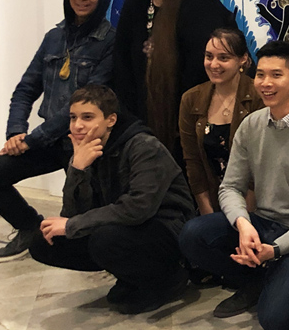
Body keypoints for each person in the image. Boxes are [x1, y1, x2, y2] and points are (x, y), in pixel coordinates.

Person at [176, 40, 289, 330]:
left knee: (275, 322)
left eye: (276, 75)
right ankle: (254, 278)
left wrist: (276, 250)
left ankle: (275, 271)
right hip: (261, 223)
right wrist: (243, 223)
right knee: (192, 235)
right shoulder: (251, 125)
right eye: (260, 75)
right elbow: (230, 186)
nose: (265, 83)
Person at [0, 0, 115, 262]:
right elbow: (25, 89)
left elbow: (84, 105)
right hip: (46, 142)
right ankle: (28, 227)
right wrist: (15, 134)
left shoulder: (109, 41)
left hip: (83, 144)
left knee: (84, 222)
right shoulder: (54, 37)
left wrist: (32, 139)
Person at [29, 85, 195, 314]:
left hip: (166, 230)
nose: (77, 125)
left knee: (104, 238)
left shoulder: (143, 146)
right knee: (43, 240)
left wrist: (72, 225)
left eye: (87, 117)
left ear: (111, 119)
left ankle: (169, 279)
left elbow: (138, 208)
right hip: (125, 228)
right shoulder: (85, 149)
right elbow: (72, 213)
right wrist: (77, 168)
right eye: (73, 117)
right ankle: (132, 277)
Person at [113, 0, 232, 156]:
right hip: (141, 119)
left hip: (188, 122)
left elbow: (203, 71)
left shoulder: (199, 6)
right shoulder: (134, 3)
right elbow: (122, 64)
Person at [178, 28, 262, 215]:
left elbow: (259, 165)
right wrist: (207, 210)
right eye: (209, 56)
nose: (214, 64)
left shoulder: (259, 97)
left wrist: (243, 217)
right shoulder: (191, 99)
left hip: (255, 204)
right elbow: (193, 161)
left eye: (223, 58)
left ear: (242, 60)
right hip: (213, 200)